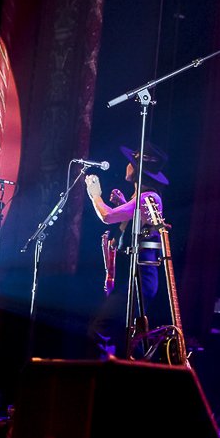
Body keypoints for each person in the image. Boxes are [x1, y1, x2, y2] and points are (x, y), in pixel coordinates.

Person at [84, 144, 169, 358]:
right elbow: (134, 225)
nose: (127, 166)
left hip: (140, 278)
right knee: (123, 337)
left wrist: (95, 195)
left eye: (130, 163)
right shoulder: (139, 197)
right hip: (130, 276)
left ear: (138, 169)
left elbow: (107, 216)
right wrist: (124, 204)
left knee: (100, 329)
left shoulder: (148, 198)